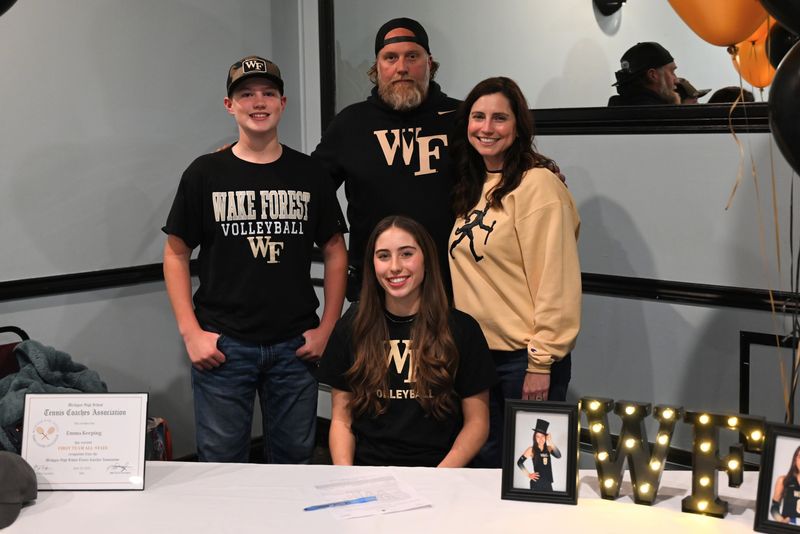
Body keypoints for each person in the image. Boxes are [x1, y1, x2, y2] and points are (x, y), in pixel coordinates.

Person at [162, 55, 348, 463]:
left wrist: (328, 327)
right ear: (229, 105)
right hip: (223, 345)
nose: (258, 102)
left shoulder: (309, 174)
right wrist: (191, 333)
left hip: (295, 345)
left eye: (267, 93)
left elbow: (335, 249)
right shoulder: (205, 174)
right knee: (221, 462)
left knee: (294, 460)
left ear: (283, 102)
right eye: (246, 94)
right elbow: (176, 252)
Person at [449, 77, 581, 468]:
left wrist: (541, 363)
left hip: (524, 361)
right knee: (483, 475)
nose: (486, 128)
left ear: (518, 126)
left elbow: (556, 281)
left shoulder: (539, 186)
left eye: (499, 118)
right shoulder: (472, 185)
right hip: (477, 360)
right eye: (478, 117)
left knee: (533, 476)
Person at [316, 215, 497, 467]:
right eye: (383, 256)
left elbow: (477, 423)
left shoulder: (462, 330)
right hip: (368, 472)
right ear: (372, 264)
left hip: (440, 471)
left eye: (406, 254)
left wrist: (437, 478)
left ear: (426, 259)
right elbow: (341, 420)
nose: (394, 267)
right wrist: (347, 477)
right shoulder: (351, 327)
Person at [311, 17, 460, 300]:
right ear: (377, 67)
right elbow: (307, 186)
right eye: (390, 57)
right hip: (374, 293)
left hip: (452, 290)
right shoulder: (350, 124)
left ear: (429, 64)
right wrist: (242, 162)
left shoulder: (461, 120)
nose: (401, 67)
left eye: (412, 56)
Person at [608, 42, 679, 106]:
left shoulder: (614, 109)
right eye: (672, 72)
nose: (676, 80)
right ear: (653, 75)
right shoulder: (661, 113)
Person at [516, 419, 561, 492]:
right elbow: (519, 463)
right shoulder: (531, 449)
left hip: (548, 482)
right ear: (535, 437)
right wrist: (528, 474)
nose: (540, 439)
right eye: (538, 436)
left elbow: (558, 456)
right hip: (537, 483)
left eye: (542, 436)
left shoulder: (549, 448)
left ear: (545, 437)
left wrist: (550, 441)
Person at [771, 445, 800, 524]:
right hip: (788, 526)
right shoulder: (783, 481)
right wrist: (781, 520)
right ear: (795, 460)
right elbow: (774, 508)